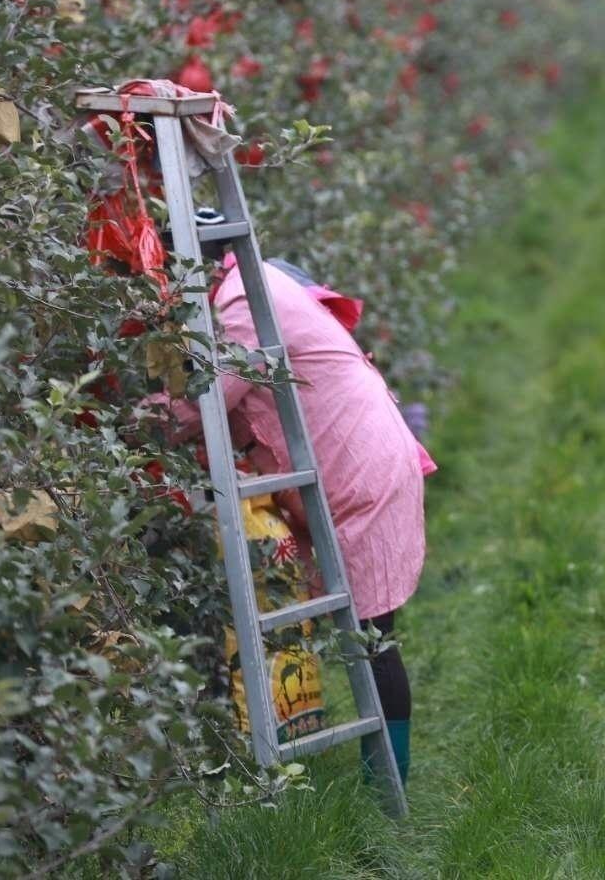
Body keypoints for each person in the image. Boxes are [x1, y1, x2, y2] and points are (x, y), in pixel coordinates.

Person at [161, 254, 427, 787]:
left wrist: (136, 422)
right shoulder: (261, 282)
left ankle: (388, 787)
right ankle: (388, 781)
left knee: (374, 640)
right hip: (365, 457)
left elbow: (208, 401)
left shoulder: (240, 302)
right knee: (374, 638)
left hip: (357, 473)